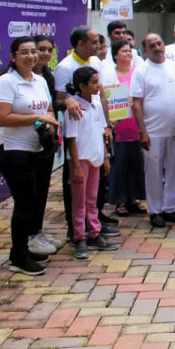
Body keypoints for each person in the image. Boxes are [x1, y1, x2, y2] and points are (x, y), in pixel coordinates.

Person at [0, 36, 61, 275]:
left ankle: (23, 249)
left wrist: (49, 121)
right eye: (24, 52)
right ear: (13, 57)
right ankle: (18, 256)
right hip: (12, 150)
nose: (31, 56)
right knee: (25, 201)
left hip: (37, 149)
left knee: (34, 200)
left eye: (33, 52)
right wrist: (37, 118)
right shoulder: (6, 82)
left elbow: (48, 108)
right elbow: (2, 117)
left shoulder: (40, 80)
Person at [53, 26, 120, 239]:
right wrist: (69, 101)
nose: (98, 46)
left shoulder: (96, 62)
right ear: (80, 44)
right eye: (93, 42)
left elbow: (102, 96)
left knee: (97, 181)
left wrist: (107, 125)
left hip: (96, 128)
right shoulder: (65, 67)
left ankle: (94, 222)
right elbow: (59, 99)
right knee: (76, 181)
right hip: (78, 130)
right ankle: (75, 229)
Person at [64, 66, 118, 259]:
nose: (98, 86)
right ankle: (79, 237)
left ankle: (94, 233)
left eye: (98, 81)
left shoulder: (95, 105)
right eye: (94, 82)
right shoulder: (75, 109)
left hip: (95, 159)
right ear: (81, 86)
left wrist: (104, 157)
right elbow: (71, 139)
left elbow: (101, 133)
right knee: (79, 202)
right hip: (81, 161)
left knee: (92, 199)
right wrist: (76, 166)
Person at [131, 33, 175, 228]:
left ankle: (169, 208)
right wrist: (142, 131)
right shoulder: (141, 71)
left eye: (159, 43)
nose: (157, 47)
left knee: (174, 170)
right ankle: (155, 211)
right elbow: (136, 103)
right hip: (152, 131)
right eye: (151, 45)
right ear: (145, 50)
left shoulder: (174, 66)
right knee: (153, 172)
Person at [28, 35, 64, 256]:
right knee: (29, 192)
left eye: (49, 50)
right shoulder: (12, 78)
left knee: (42, 189)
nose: (45, 54)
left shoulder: (47, 77)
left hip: (45, 141)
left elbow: (52, 104)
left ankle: (38, 231)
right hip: (24, 144)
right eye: (40, 49)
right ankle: (29, 237)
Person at [107, 40, 146, 217]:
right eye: (124, 51)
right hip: (119, 125)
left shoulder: (137, 73)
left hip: (136, 124)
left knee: (136, 163)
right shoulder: (110, 75)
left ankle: (134, 199)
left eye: (130, 51)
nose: (128, 54)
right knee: (120, 164)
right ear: (115, 55)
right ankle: (120, 200)